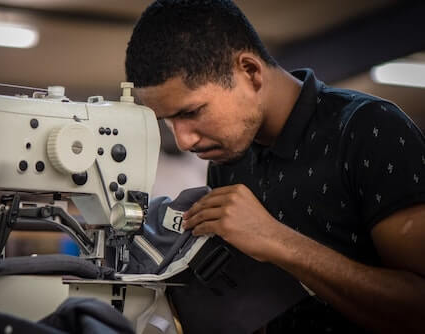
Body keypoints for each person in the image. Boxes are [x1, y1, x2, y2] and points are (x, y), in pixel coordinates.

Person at [125, 0, 425, 333]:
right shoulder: (228, 162)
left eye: (190, 113)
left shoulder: (369, 130)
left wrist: (277, 240)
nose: (183, 141)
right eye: (168, 121)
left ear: (250, 72)